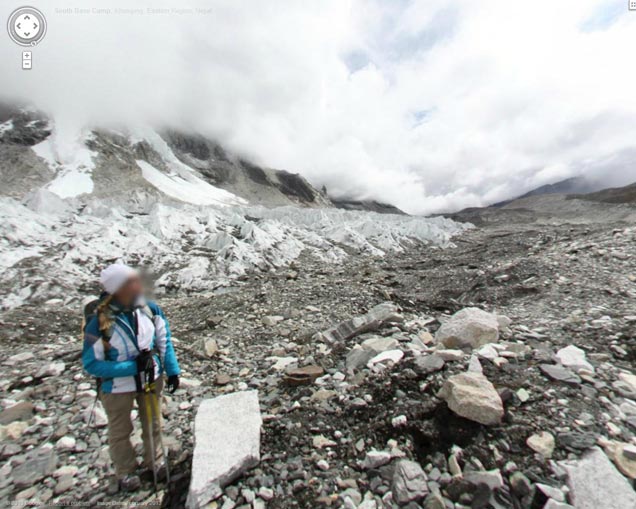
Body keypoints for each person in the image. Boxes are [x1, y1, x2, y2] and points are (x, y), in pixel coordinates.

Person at [82, 263, 181, 492]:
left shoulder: (149, 309)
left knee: (153, 423)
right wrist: (131, 367)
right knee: (120, 431)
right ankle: (125, 472)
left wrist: (172, 370)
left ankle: (154, 462)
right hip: (117, 387)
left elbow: (164, 341)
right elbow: (92, 364)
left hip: (150, 378)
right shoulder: (99, 321)